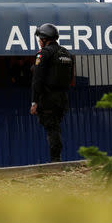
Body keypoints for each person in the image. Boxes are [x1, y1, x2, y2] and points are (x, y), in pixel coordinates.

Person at [30, 23, 71, 162]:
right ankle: (56, 158)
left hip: (48, 99)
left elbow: (37, 79)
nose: (39, 41)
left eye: (40, 38)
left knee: (52, 129)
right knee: (55, 127)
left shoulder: (44, 54)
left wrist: (34, 101)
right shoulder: (65, 53)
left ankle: (55, 161)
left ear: (44, 39)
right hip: (62, 98)